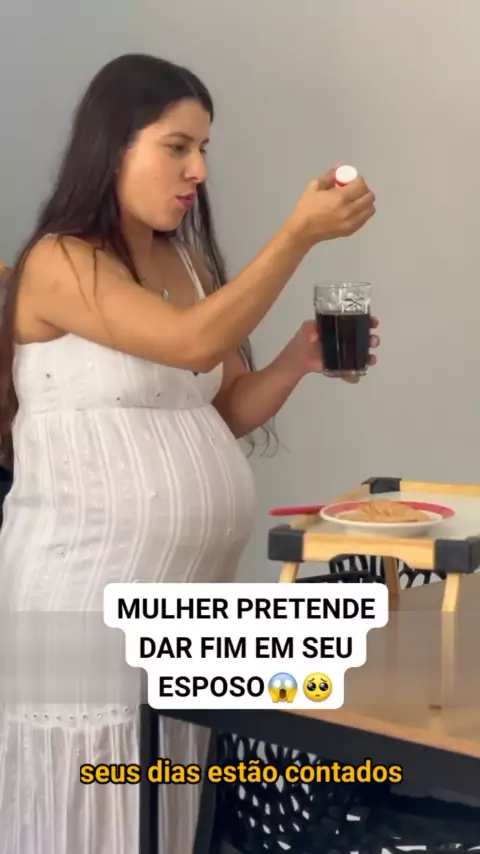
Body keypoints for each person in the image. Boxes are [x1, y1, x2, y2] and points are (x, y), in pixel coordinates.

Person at [0, 54, 377, 854]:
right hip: (81, 605)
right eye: (177, 146)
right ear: (113, 147)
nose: (198, 171)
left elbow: (221, 406)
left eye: (203, 148)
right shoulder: (59, 261)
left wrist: (297, 361)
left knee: (162, 815)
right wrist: (299, 235)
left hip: (182, 616)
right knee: (94, 812)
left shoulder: (186, 264)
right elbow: (190, 343)